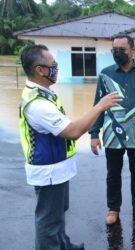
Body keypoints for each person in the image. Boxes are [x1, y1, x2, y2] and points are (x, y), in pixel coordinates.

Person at [19, 44, 121, 250]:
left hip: (56, 167)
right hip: (48, 171)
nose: (56, 69)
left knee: (58, 212)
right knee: (48, 220)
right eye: (53, 65)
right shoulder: (38, 104)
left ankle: (63, 244)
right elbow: (72, 131)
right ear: (40, 70)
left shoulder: (43, 93)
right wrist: (99, 106)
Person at [89, 34, 135, 225]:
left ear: (133, 50)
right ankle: (113, 209)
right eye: (114, 50)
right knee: (113, 174)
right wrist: (94, 134)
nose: (117, 53)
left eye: (122, 50)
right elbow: (98, 105)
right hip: (113, 133)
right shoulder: (105, 74)